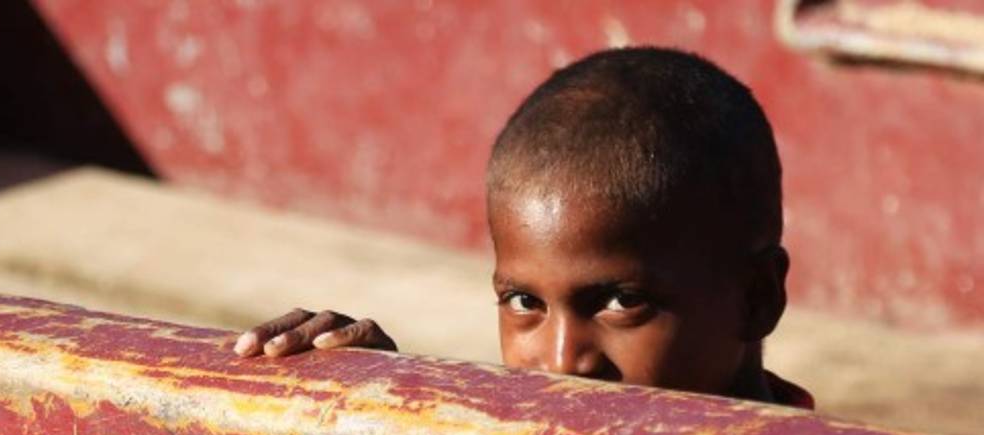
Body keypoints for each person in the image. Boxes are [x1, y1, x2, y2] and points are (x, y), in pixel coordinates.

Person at [232, 46, 813, 408]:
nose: (562, 361)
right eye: (522, 301)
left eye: (621, 300)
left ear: (757, 298)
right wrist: (392, 404)